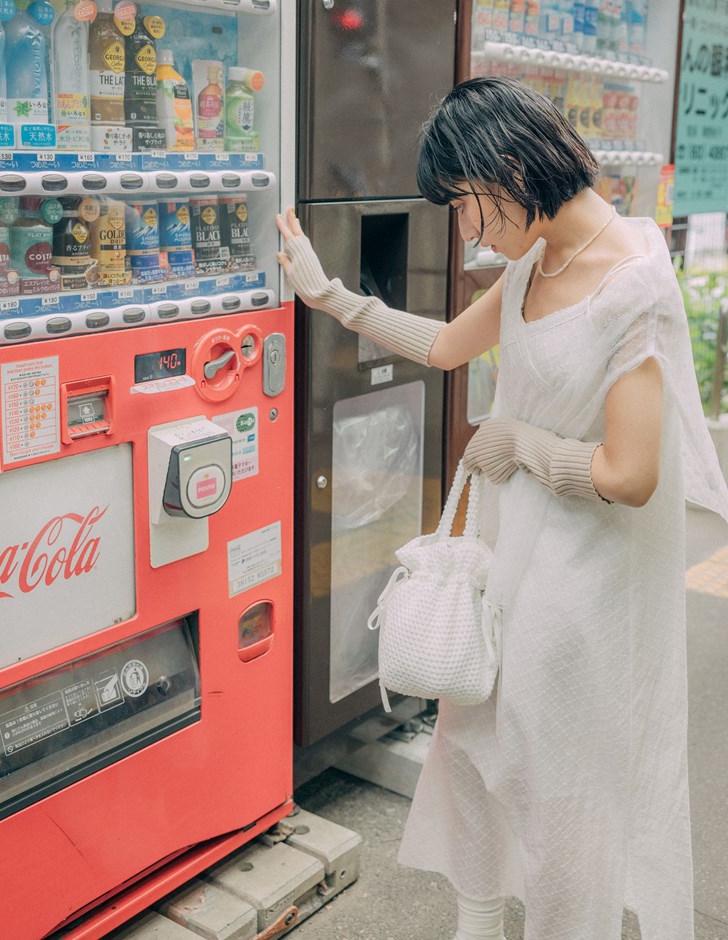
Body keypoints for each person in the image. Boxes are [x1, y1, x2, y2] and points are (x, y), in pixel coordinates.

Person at [277, 77, 728, 940]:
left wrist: (521, 444)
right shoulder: (536, 256)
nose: (467, 230)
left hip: (586, 575)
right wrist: (330, 296)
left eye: (469, 204)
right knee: (472, 738)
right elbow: (449, 345)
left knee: (555, 774)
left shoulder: (632, 284)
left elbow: (631, 473)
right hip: (509, 548)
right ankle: (478, 921)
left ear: (514, 167)